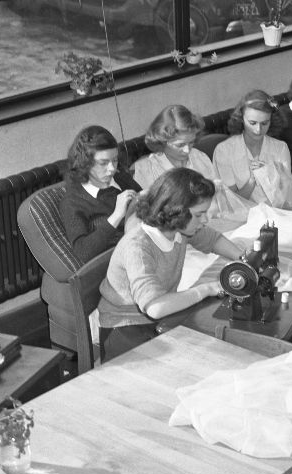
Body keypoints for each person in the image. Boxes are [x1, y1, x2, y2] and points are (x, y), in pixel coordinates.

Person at [97, 168, 241, 360]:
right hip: (124, 327)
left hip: (156, 316)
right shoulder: (138, 247)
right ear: (176, 211)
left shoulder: (178, 229)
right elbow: (155, 307)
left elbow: (212, 240)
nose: (205, 220)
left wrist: (242, 259)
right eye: (199, 215)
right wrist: (205, 289)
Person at [60, 125, 141, 264]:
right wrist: (116, 215)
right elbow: (83, 253)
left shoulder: (122, 179)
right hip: (117, 264)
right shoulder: (73, 202)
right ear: (85, 163)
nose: (112, 169)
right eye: (103, 163)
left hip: (146, 249)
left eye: (115, 160)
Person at [213, 90, 292, 207]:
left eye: (264, 123)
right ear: (241, 119)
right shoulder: (224, 151)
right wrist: (251, 181)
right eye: (252, 123)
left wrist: (270, 177)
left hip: (277, 212)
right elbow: (232, 204)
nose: (258, 130)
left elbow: (287, 198)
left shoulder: (280, 148)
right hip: (243, 216)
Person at [132, 105, 215, 188]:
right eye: (180, 145)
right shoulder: (147, 170)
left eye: (191, 142)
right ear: (162, 141)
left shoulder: (200, 158)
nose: (187, 150)